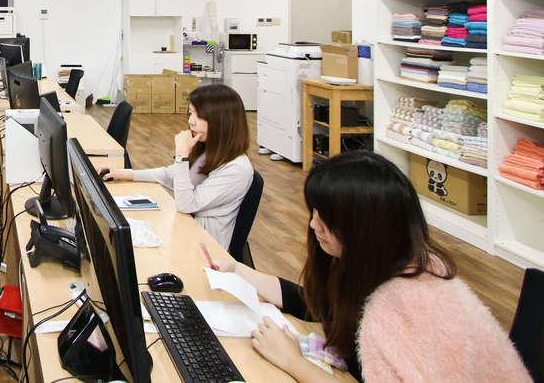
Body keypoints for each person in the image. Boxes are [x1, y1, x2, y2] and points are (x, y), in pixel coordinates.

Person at [208, 151, 531, 382]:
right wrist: (238, 270)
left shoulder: (407, 306)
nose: (313, 224)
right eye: (314, 212)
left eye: (324, 217)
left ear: (362, 228)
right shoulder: (379, 265)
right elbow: (316, 304)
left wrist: (293, 361)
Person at [101, 84, 252, 249]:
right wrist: (125, 173)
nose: (190, 121)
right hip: (186, 230)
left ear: (221, 121)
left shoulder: (236, 169)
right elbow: (169, 175)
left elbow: (186, 204)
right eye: (191, 113)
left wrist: (182, 156)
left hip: (205, 247)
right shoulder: (210, 151)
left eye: (198, 115)